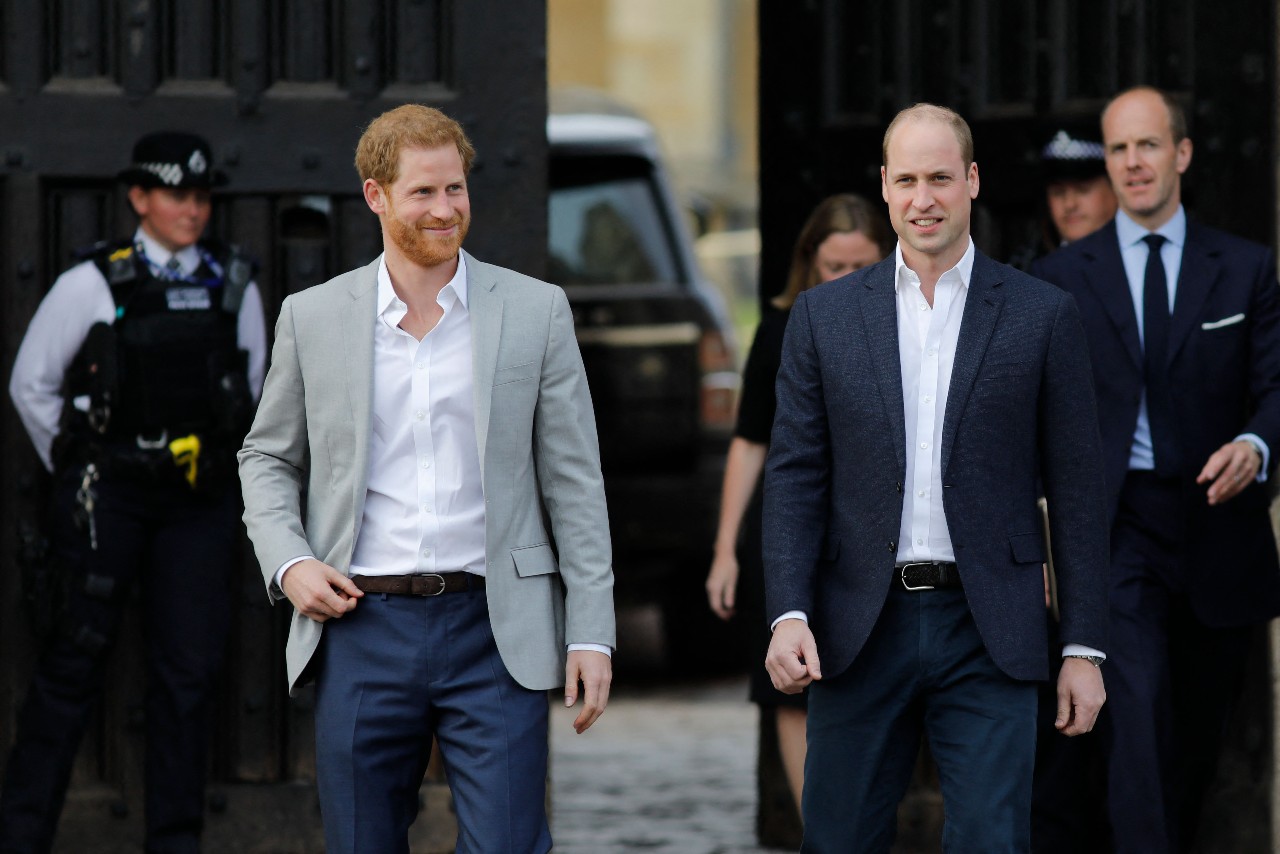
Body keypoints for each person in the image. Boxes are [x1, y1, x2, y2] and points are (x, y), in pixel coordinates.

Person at [237, 104, 615, 853]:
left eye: (456, 190)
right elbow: (267, 457)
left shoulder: (537, 312)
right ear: (376, 196)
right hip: (361, 625)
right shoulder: (311, 317)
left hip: (494, 628)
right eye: (423, 193)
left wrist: (593, 633)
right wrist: (290, 562)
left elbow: (574, 481)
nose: (445, 210)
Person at [763, 103, 1110, 852]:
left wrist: (1083, 648)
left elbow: (1079, 490)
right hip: (857, 624)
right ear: (885, 186)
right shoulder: (823, 319)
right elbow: (795, 476)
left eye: (942, 178)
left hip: (990, 628)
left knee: (992, 841)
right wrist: (788, 610)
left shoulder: (1042, 315)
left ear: (974, 181)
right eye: (909, 179)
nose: (925, 198)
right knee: (838, 839)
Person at [1, 131, 266, 853]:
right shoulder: (93, 282)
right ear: (139, 198)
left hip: (196, 504)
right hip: (108, 498)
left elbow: (254, 393)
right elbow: (33, 385)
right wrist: (84, 464)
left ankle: (173, 843)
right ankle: (22, 838)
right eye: (178, 194)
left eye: (203, 196)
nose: (193, 208)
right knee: (71, 665)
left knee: (188, 678)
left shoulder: (233, 282)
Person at [1031, 85, 1280, 854]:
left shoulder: (1245, 268)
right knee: (1131, 719)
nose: (1132, 163)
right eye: (1118, 149)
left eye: (1146, 146)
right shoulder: (1062, 276)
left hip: (1217, 523)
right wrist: (1039, 533)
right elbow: (1031, 419)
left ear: (1181, 154)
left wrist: (1257, 444)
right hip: (1117, 531)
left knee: (1194, 740)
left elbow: (1276, 387)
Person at [706, 193, 893, 811]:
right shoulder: (786, 325)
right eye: (832, 267)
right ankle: (822, 826)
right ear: (809, 262)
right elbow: (749, 441)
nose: (843, 279)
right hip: (789, 524)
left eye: (859, 266)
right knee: (789, 689)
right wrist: (726, 548)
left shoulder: (908, 322)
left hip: (870, 528)